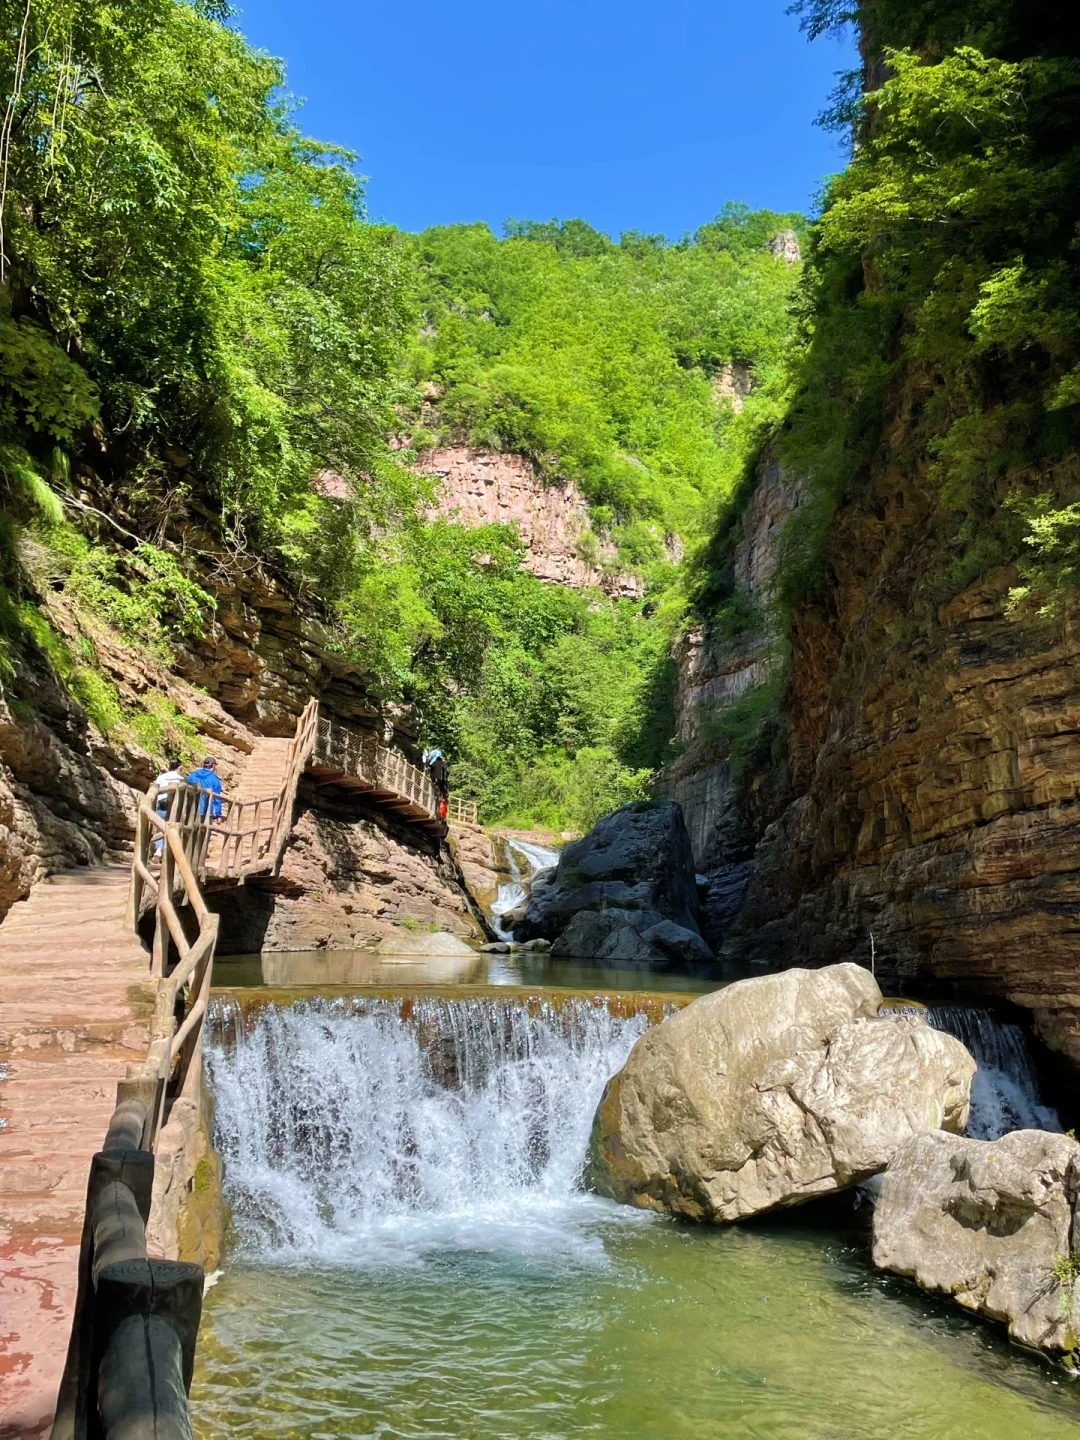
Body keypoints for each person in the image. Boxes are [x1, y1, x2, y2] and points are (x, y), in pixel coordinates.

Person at [152, 757, 185, 854]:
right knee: (171, 827)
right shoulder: (181, 780)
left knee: (160, 828)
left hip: (161, 803)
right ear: (179, 767)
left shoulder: (161, 777)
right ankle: (165, 851)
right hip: (174, 806)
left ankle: (158, 850)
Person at [184, 754, 224, 820]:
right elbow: (217, 798)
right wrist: (218, 814)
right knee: (205, 829)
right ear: (213, 766)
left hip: (191, 809)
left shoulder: (192, 775)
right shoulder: (215, 779)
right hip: (206, 811)